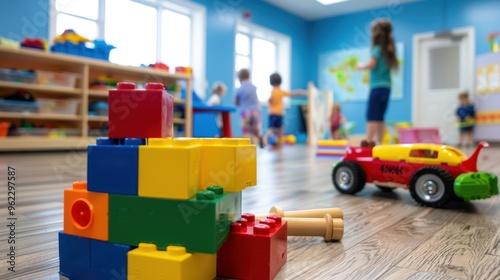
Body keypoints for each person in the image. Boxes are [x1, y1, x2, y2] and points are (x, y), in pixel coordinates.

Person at [357, 18, 398, 145]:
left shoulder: (376, 49)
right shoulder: (389, 50)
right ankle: (379, 142)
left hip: (377, 87)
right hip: (387, 88)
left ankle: (368, 142)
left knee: (371, 116)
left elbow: (372, 64)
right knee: (380, 117)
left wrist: (361, 66)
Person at [266, 73, 305, 149]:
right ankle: (275, 140)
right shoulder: (280, 91)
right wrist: (301, 92)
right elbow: (292, 94)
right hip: (279, 114)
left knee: (273, 128)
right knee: (279, 128)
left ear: (271, 82)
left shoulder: (273, 91)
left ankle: (269, 139)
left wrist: (270, 101)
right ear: (280, 81)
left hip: (273, 113)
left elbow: (270, 100)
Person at [234, 69, 263, 147]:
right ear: (248, 76)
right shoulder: (253, 87)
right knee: (256, 131)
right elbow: (256, 100)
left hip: (245, 112)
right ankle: (257, 143)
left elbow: (236, 102)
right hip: (256, 111)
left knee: (246, 131)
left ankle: (246, 148)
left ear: (239, 78)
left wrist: (240, 103)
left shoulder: (239, 89)